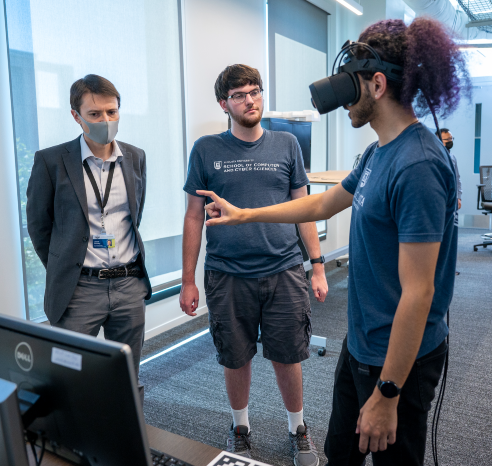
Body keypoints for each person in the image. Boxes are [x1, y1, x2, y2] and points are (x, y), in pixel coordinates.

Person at [197, 18, 469, 466]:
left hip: (397, 362)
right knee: (340, 452)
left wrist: (388, 392)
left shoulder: (417, 164)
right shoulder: (378, 152)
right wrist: (246, 213)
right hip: (362, 342)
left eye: (350, 86)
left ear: (377, 84)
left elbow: (420, 294)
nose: (342, 102)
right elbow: (322, 205)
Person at [180, 64, 328, 465]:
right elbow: (194, 216)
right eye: (240, 94)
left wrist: (317, 265)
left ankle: (298, 429)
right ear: (224, 104)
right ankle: (240, 427)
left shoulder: (287, 145)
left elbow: (305, 210)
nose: (250, 100)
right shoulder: (206, 149)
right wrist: (187, 280)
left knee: (288, 354)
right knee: (236, 355)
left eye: (255, 91)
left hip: (283, 269)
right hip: (227, 273)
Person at [26, 74, 151, 399]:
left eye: (112, 112)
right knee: (69, 377)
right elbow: (39, 226)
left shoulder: (135, 157)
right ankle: (74, 442)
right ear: (76, 116)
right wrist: (66, 264)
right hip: (79, 289)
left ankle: (125, 442)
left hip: (128, 284)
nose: (105, 120)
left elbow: (133, 217)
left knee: (126, 376)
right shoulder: (51, 161)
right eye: (95, 114)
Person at [437, 128, 462, 275]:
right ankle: (439, 268)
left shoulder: (452, 158)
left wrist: (459, 196)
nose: (451, 142)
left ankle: (449, 267)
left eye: (452, 139)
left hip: (452, 203)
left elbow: (457, 178)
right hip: (439, 203)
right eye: (448, 140)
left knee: (451, 236)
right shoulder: (434, 157)